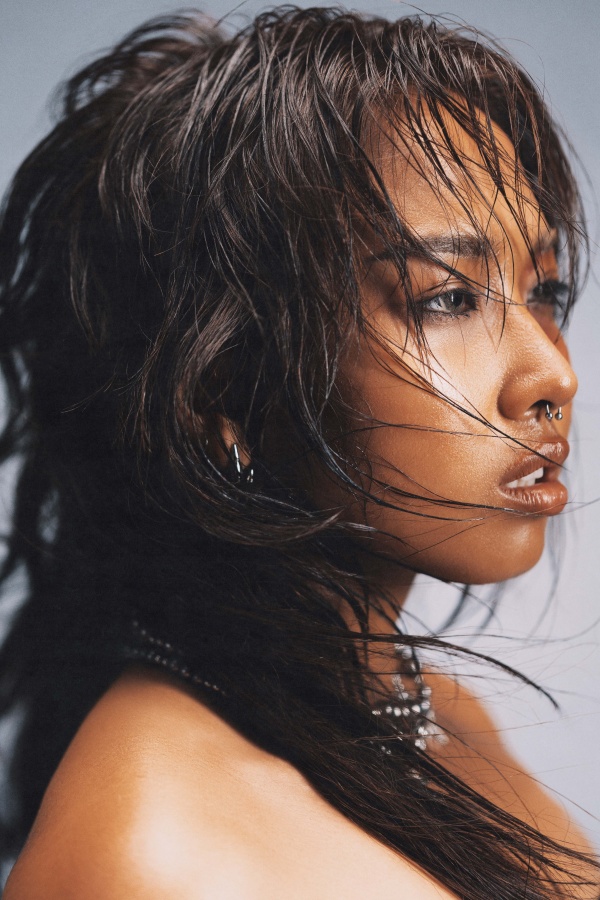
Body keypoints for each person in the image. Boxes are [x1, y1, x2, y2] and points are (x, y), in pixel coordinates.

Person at [0, 6, 598, 898]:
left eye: (544, 287)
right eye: (446, 298)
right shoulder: (149, 854)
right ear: (225, 390)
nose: (554, 374)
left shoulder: (428, 711)